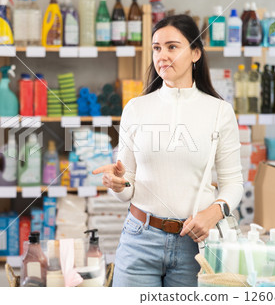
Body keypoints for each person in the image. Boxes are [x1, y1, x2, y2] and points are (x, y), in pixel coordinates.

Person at [92, 15, 243, 287]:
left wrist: (214, 213)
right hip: (140, 240)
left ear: (195, 53)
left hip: (194, 246)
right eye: (156, 48)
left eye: (172, 47)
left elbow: (234, 183)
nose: (162, 55)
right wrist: (118, 184)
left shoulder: (220, 112)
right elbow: (129, 186)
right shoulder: (136, 108)